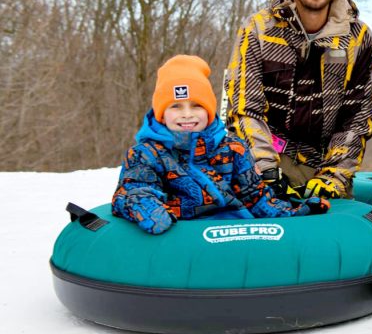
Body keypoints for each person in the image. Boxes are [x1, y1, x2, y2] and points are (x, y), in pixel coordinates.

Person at [226, 0, 372, 200]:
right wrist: (265, 169)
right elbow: (245, 109)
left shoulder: (358, 38)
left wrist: (334, 175)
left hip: (325, 165)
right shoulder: (258, 29)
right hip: (269, 160)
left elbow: (359, 117)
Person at [112, 55, 329, 235]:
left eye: (196, 106)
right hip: (184, 238)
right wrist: (146, 206)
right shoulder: (147, 154)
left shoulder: (233, 148)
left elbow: (255, 196)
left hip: (234, 234)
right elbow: (132, 189)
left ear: (209, 110)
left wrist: (293, 214)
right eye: (176, 106)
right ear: (161, 113)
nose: (187, 114)